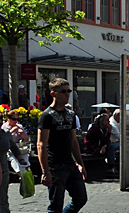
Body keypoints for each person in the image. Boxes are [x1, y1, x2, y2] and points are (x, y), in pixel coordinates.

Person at [37, 78, 88, 213]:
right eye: (63, 91)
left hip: (70, 163)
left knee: (81, 198)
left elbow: (73, 141)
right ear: (53, 94)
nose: (67, 94)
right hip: (55, 165)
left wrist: (80, 163)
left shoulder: (70, 114)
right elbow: (41, 144)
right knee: (56, 205)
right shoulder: (47, 116)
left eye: (68, 91)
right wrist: (45, 171)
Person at [0, 110, 22, 213]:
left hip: (3, 171)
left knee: (3, 200)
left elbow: (14, 147)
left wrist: (21, 160)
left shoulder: (5, 133)